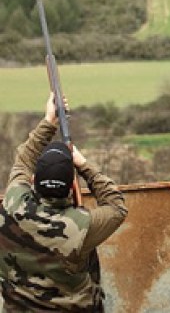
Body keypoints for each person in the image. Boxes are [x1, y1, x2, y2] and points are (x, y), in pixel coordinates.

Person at [0, 93, 128, 312]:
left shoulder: (13, 204)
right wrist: (84, 165)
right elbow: (116, 206)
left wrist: (49, 121)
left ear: (33, 181)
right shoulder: (81, 226)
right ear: (71, 186)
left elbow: (23, 160)